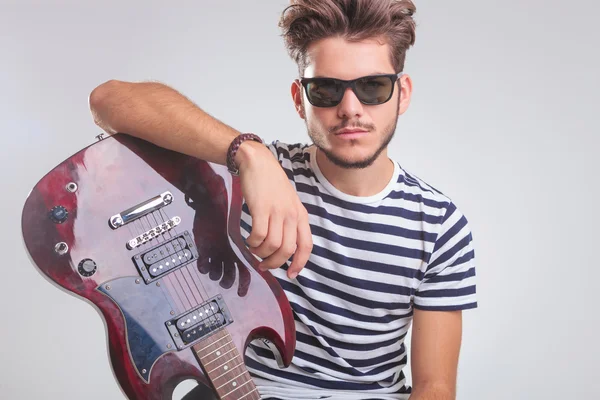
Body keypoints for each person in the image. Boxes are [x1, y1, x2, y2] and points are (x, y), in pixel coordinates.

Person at [88, 1, 477, 399]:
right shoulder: (250, 175)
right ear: (299, 98)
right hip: (243, 388)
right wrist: (250, 155)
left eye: (372, 87)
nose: (350, 109)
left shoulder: (439, 225)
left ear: (402, 93)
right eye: (325, 89)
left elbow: (435, 387)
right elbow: (108, 100)